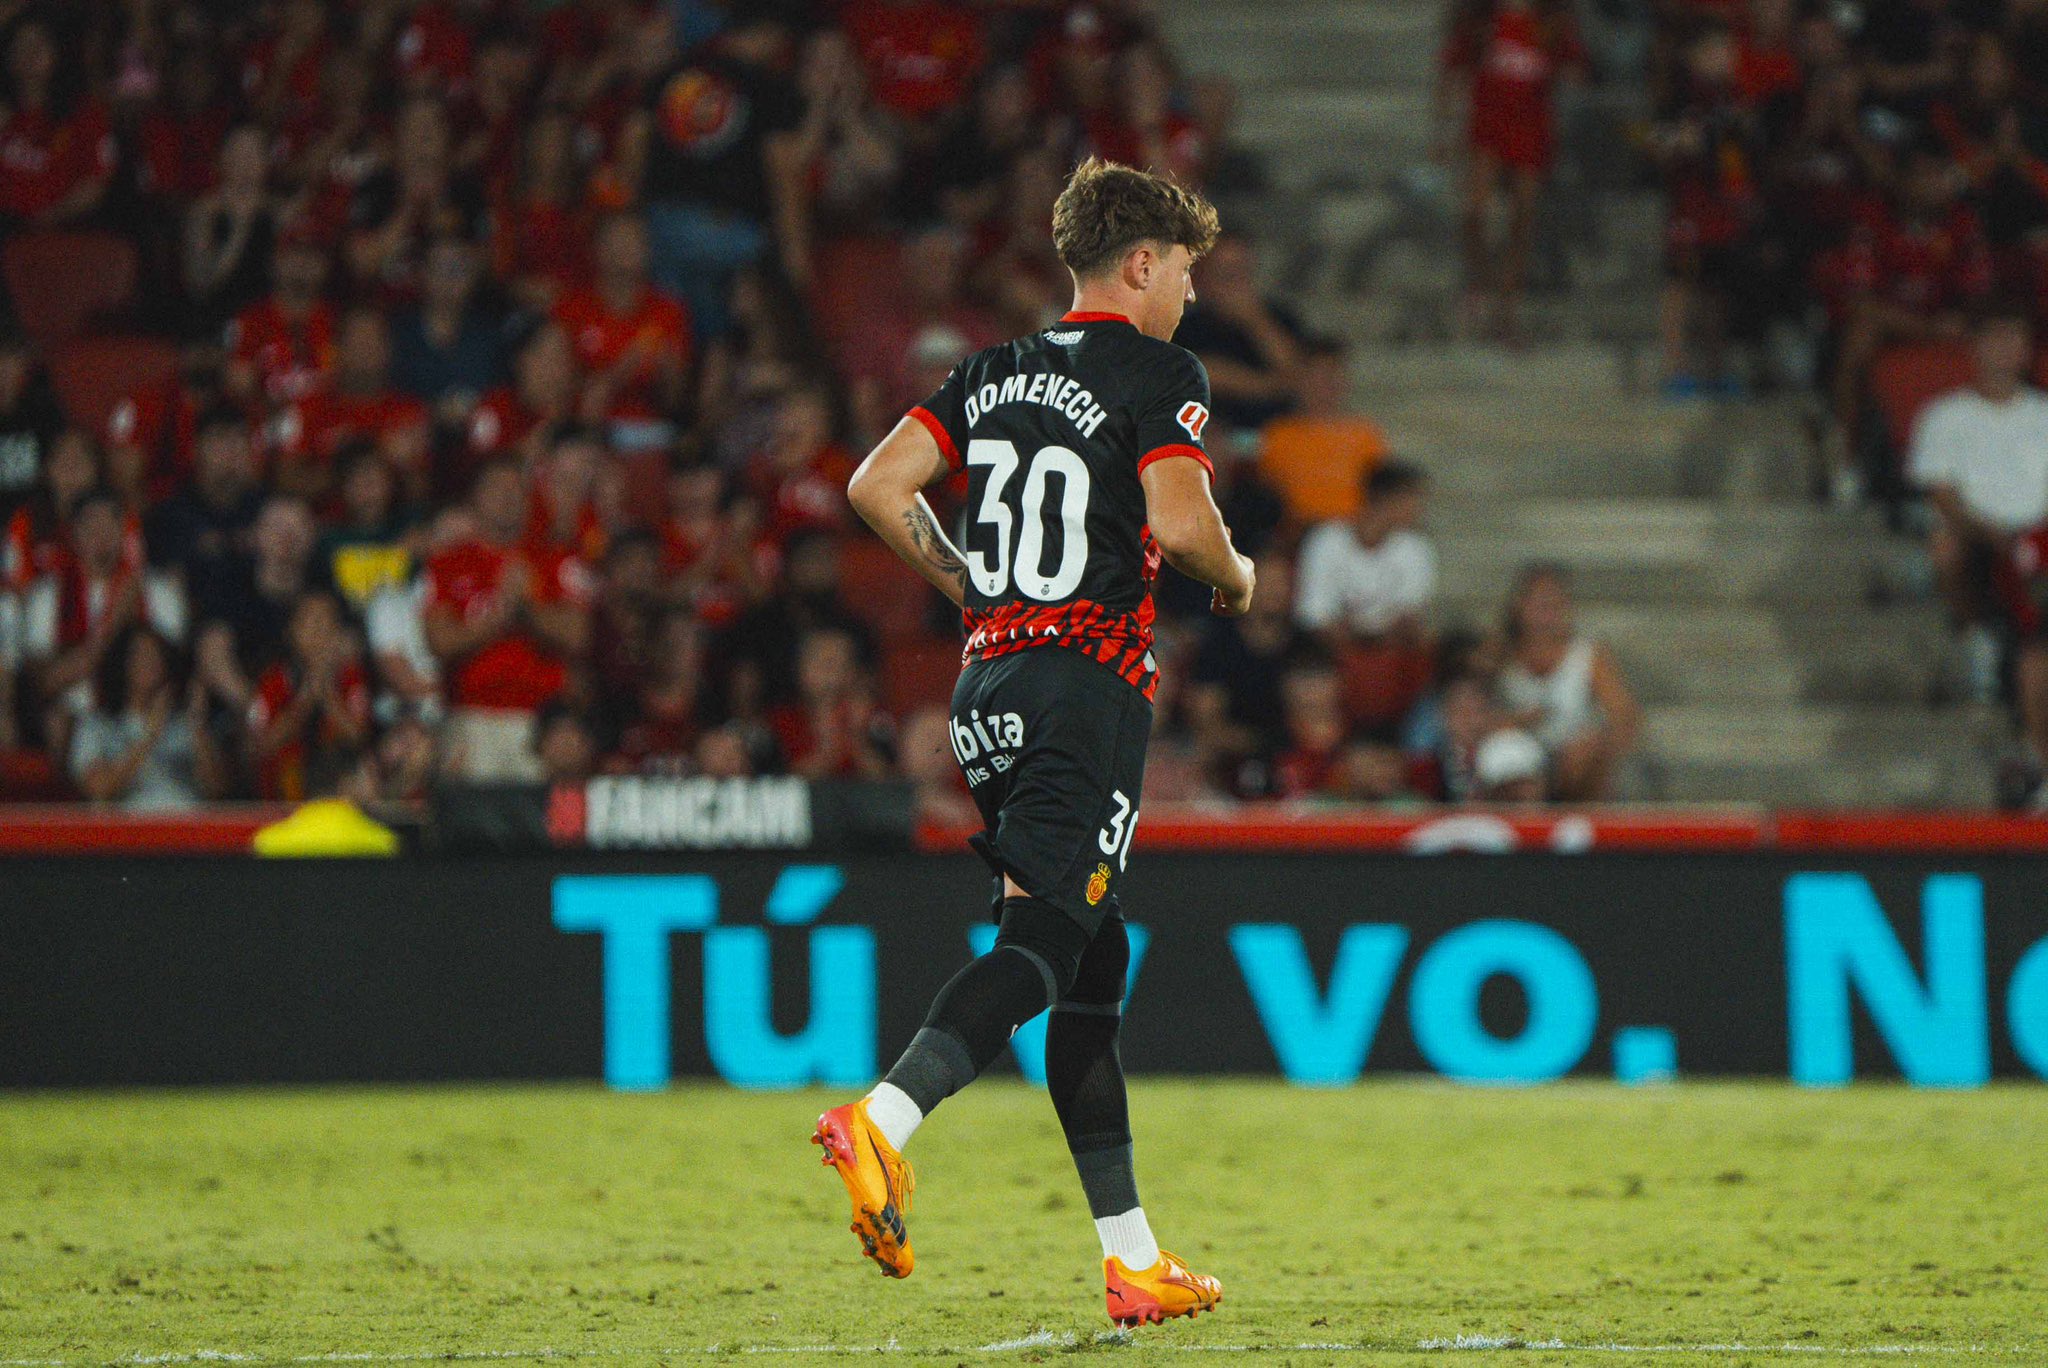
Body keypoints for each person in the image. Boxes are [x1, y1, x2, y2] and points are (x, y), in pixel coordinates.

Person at [814, 157, 1244, 1325]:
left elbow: (876, 484)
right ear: (1141, 263)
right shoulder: (1160, 372)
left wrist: (968, 589)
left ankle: (1131, 1258)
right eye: (1185, 274)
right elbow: (1177, 522)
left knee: (1088, 969)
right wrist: (1239, 575)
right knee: (1050, 944)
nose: (1191, 300)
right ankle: (881, 1121)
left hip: (988, 687)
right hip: (1083, 687)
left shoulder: (987, 373)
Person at [1910, 302, 2048, 702]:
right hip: (1978, 534)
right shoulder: (1945, 414)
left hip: (2038, 535)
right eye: (1997, 336)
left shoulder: (2042, 413)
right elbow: (1941, 493)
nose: (2006, 347)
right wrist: (1990, 532)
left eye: (2016, 338)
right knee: (1945, 546)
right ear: (1977, 346)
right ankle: (1976, 638)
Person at [1495, 563, 1642, 800]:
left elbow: (1624, 716)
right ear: (1519, 606)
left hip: (1573, 763)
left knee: (1586, 755)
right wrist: (1517, 722)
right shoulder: (1501, 657)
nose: (1547, 615)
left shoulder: (1587, 657)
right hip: (1520, 760)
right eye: (1540, 605)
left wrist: (1598, 744)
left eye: (1555, 605)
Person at [70, 624, 226, 810]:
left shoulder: (186, 724)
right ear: (122, 663)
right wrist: (150, 734)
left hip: (190, 828)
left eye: (156, 654)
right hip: (132, 832)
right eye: (141, 654)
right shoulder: (96, 725)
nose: (150, 662)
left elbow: (217, 790)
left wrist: (198, 725)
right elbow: (99, 788)